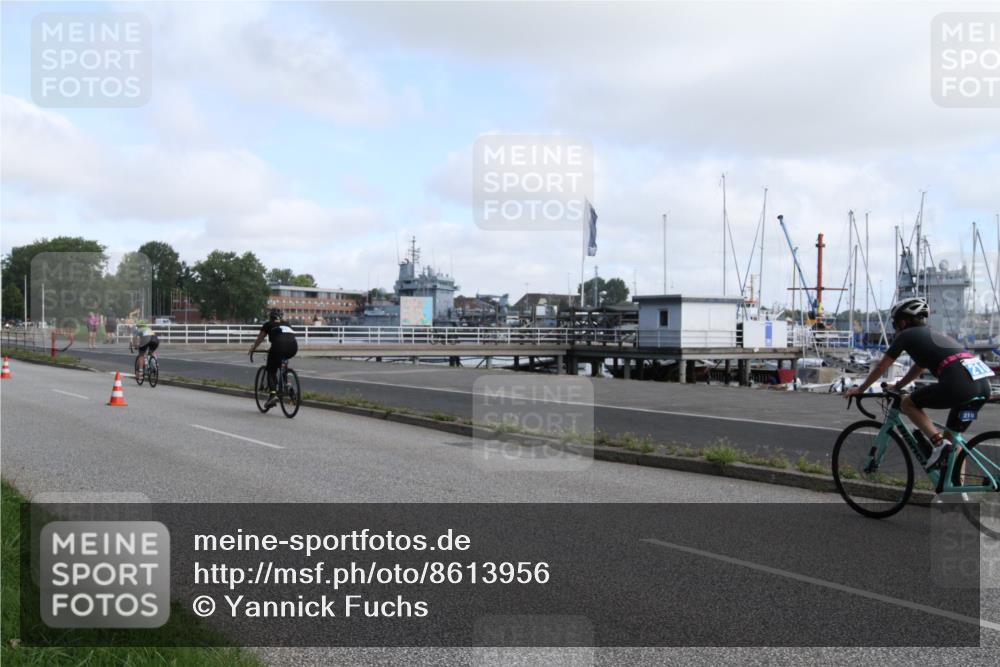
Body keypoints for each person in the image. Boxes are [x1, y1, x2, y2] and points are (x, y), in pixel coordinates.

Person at [845, 297, 994, 469]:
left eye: (895, 324)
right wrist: (898, 386)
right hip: (982, 387)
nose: (895, 328)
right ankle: (956, 492)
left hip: (959, 385)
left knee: (908, 404)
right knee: (953, 441)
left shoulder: (907, 335)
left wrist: (861, 389)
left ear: (903, 321)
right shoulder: (932, 334)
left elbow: (881, 366)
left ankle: (938, 444)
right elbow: (918, 367)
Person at [249, 309, 298, 408]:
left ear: (271, 317)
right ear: (281, 316)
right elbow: (287, 337)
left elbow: (260, 338)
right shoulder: (286, 324)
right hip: (293, 347)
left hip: (278, 347)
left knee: (271, 370)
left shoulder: (268, 324)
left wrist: (253, 348)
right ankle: (288, 384)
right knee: (282, 363)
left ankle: (273, 395)